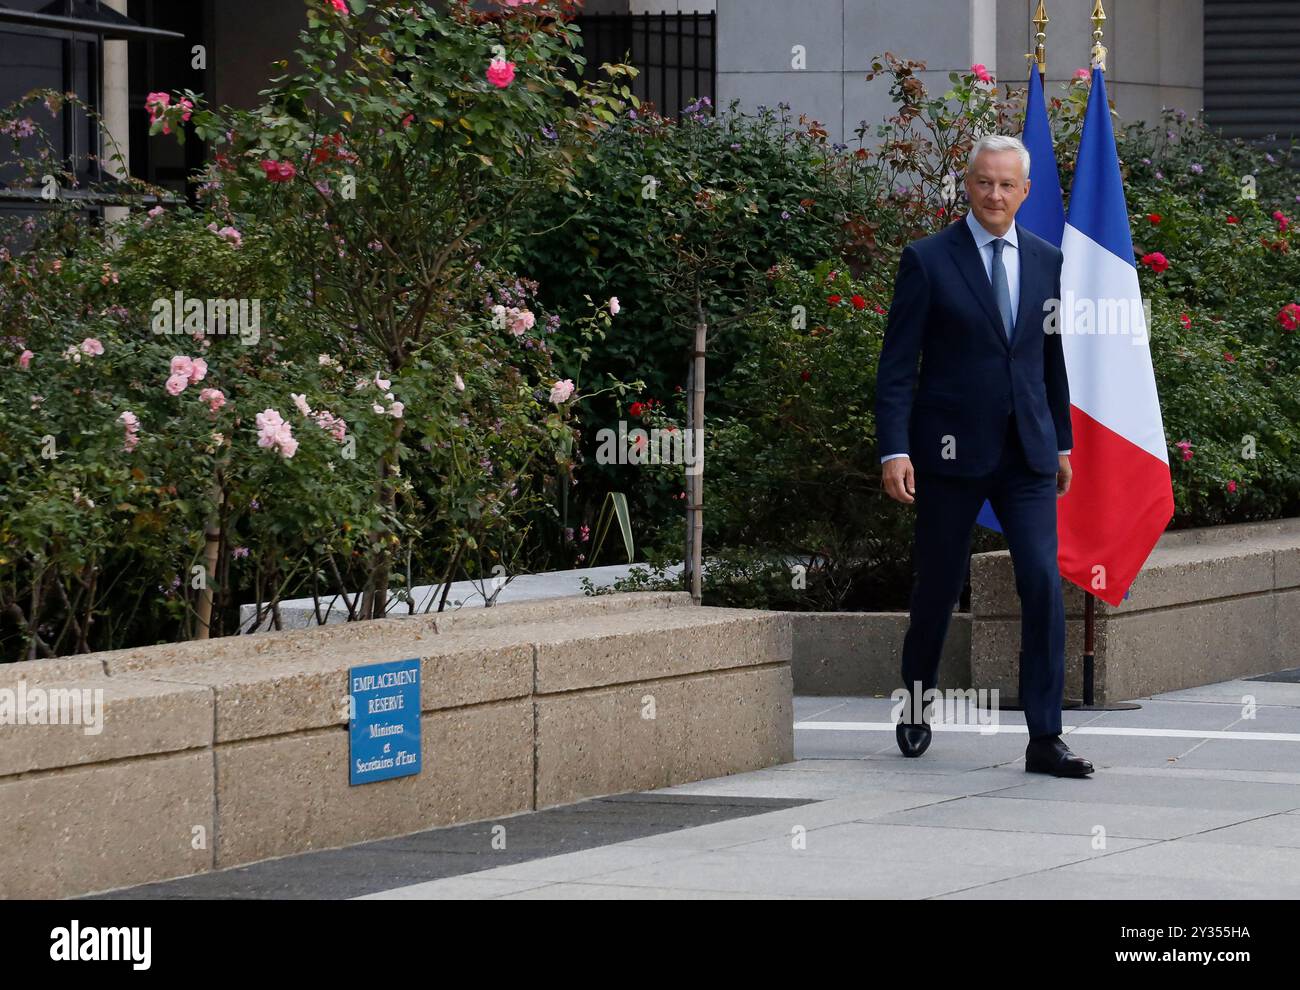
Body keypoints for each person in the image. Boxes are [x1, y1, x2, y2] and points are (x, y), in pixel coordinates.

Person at [875, 133, 1093, 778]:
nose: (995, 195)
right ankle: (916, 701)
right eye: (984, 183)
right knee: (938, 587)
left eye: (1007, 185)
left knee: (1042, 584)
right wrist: (894, 448)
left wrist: (1060, 440)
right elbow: (896, 369)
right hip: (945, 453)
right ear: (966, 185)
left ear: (1025, 192)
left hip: (1025, 453)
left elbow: (1050, 359)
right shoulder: (927, 259)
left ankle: (1045, 739)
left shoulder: (1049, 260)